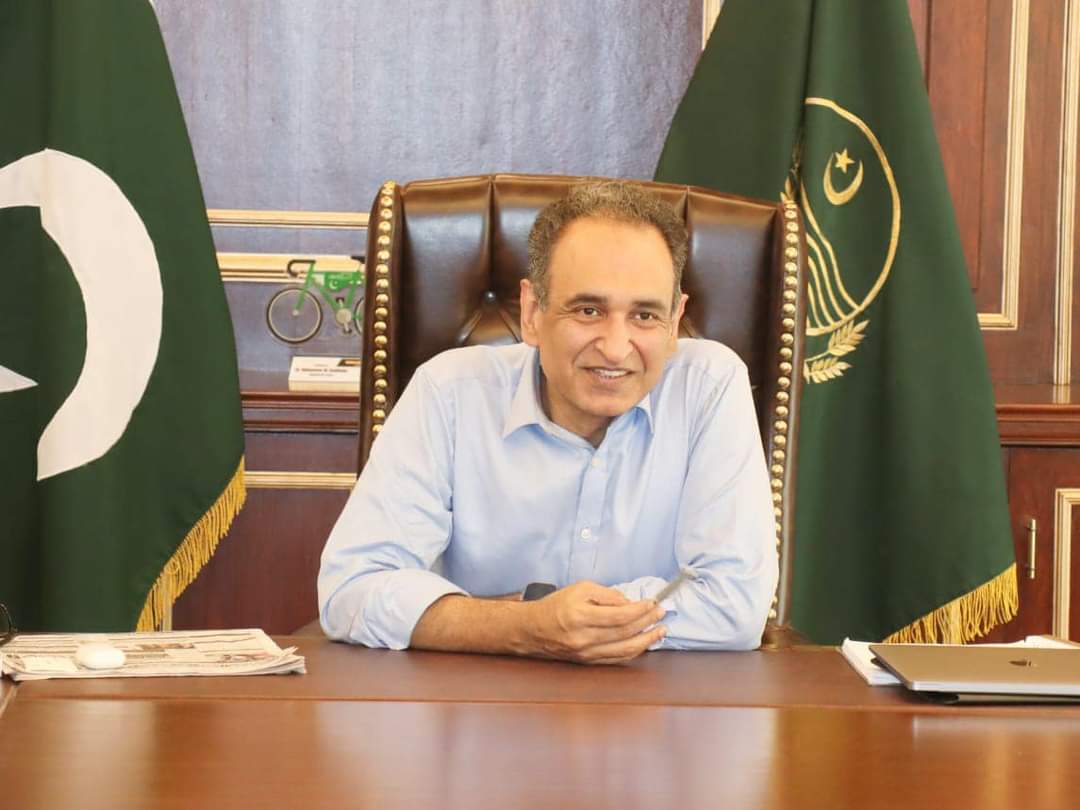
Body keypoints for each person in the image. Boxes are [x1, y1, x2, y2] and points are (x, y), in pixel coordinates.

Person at [318, 181, 777, 664]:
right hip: (475, 702)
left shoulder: (708, 386)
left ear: (675, 320)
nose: (616, 348)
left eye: (645, 315)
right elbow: (351, 589)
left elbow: (736, 605)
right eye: (589, 310)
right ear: (533, 312)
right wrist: (526, 627)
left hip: (657, 702)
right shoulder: (449, 392)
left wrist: (522, 616)